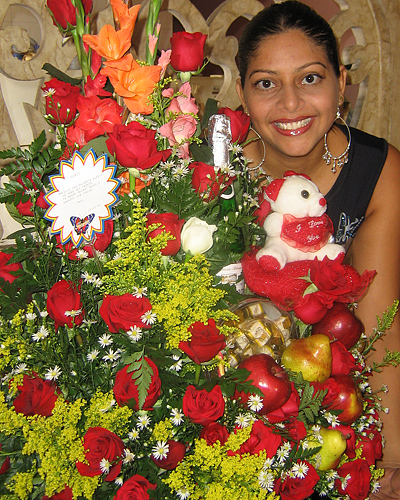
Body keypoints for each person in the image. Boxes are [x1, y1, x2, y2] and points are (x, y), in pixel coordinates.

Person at [235, 1, 400, 498]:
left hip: (332, 397)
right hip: (232, 397)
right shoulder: (214, 170)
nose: (290, 105)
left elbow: (381, 330)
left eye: (310, 78)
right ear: (242, 93)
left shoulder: (378, 171)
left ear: (341, 82)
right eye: (266, 83)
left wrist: (391, 458)